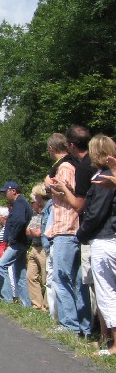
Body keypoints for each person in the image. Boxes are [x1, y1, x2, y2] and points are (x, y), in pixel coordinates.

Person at [45, 132, 91, 335]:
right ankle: (83, 325)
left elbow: (69, 195)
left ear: (51, 149)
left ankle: (69, 324)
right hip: (73, 229)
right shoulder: (72, 165)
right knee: (77, 280)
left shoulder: (64, 168)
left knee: (61, 278)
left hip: (66, 227)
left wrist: (50, 186)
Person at [77, 134, 116, 353]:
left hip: (104, 238)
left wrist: (82, 233)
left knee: (107, 293)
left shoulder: (103, 178)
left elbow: (97, 213)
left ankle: (114, 344)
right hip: (109, 236)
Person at [0, 181, 32, 307]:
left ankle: (7, 299)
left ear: (13, 191)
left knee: (1, 265)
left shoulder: (19, 204)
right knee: (20, 273)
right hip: (21, 241)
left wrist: (12, 237)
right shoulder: (21, 203)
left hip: (17, 242)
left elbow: (21, 221)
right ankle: (26, 304)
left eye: (6, 192)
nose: (5, 195)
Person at [26, 184, 50, 311]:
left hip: (43, 248)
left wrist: (33, 231)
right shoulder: (34, 215)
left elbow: (39, 232)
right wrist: (32, 231)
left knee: (46, 278)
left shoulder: (46, 212)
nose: (32, 204)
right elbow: (28, 231)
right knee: (30, 276)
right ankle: (37, 304)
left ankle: (46, 306)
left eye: (33, 201)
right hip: (34, 247)